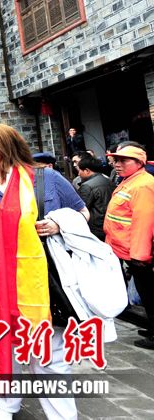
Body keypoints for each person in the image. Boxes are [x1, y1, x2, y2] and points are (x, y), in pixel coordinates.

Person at [0, 124, 88, 420]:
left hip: (40, 286)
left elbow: (83, 212)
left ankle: (63, 416)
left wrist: (59, 224)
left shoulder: (45, 178)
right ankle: (5, 406)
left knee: (47, 356)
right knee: (0, 350)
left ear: (7, 144)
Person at [102, 144, 154, 348]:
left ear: (139, 163)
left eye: (123, 160)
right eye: (116, 160)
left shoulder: (142, 185)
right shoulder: (132, 181)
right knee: (146, 292)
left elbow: (144, 223)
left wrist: (140, 256)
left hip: (138, 254)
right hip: (128, 251)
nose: (117, 164)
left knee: (150, 293)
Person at [76, 155, 111, 241]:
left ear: (87, 170)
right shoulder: (108, 180)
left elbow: (81, 209)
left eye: (80, 170)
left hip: (95, 229)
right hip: (109, 225)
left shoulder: (87, 186)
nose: (78, 174)